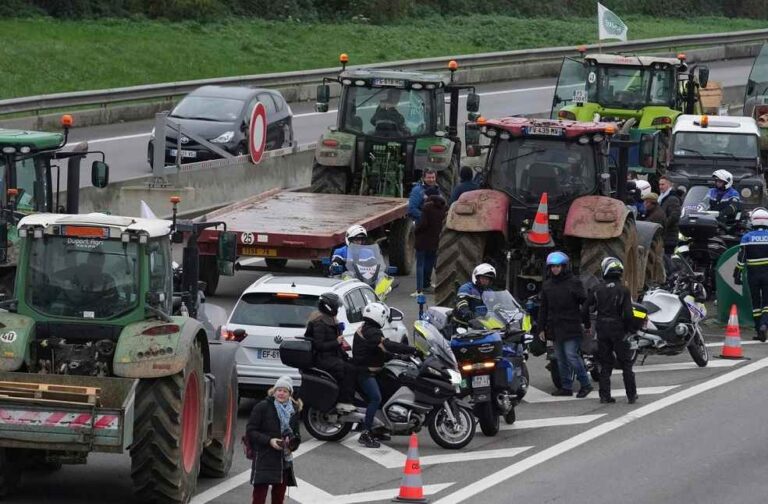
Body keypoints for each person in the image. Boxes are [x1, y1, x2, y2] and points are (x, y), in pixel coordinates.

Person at [352, 302, 421, 448]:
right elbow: (389, 345)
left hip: (375, 370)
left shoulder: (369, 329)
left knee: (394, 387)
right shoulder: (372, 332)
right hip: (365, 372)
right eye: (384, 316)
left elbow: (382, 352)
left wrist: (401, 358)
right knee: (376, 398)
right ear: (379, 316)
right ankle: (366, 433)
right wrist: (411, 350)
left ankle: (379, 427)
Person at [537, 251, 593, 398]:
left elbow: (584, 304)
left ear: (564, 266)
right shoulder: (547, 285)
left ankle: (586, 384)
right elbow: (543, 308)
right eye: (552, 267)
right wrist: (541, 328)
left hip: (571, 326)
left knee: (571, 356)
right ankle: (566, 387)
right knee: (560, 358)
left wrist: (587, 324)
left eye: (557, 266)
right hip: (555, 327)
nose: (555, 269)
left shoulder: (574, 282)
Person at [583, 257, 638, 404]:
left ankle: (604, 396)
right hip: (618, 330)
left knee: (605, 363)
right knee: (626, 363)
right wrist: (630, 330)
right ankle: (631, 395)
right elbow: (628, 314)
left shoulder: (597, 289)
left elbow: (584, 309)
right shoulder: (624, 290)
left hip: (602, 329)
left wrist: (588, 325)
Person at [247, 375, 302, 504]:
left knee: (279, 497)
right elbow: (251, 431)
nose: (281, 393)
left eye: (285, 391)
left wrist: (292, 444)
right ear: (274, 391)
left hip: (284, 460)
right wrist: (269, 441)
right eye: (279, 390)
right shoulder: (262, 407)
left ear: (290, 394)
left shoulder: (293, 411)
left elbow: (297, 435)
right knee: (259, 496)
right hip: (264, 457)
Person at [303, 293, 356, 412]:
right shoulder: (319, 323)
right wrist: (336, 342)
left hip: (331, 356)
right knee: (345, 369)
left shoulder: (330, 320)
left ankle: (351, 399)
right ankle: (343, 401)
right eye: (336, 307)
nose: (337, 310)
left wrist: (346, 355)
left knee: (353, 365)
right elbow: (319, 345)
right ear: (329, 307)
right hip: (322, 358)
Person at [734, 208, 768, 341]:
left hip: (753, 274)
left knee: (755, 303)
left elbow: (741, 258)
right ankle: (765, 324)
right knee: (767, 302)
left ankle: (758, 330)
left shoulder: (747, 237)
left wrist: (737, 274)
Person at [413, 185, 447, 296]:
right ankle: (427, 285)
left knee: (420, 265)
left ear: (429, 195)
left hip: (423, 240)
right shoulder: (443, 207)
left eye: (425, 195)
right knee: (429, 263)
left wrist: (415, 229)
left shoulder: (427, 207)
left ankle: (419, 290)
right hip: (435, 241)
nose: (423, 196)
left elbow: (423, 224)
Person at [658, 176, 682, 256]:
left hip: (669, 236)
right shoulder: (662, 198)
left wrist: (662, 226)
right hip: (665, 236)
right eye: (659, 184)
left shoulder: (672, 199)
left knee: (667, 260)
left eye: (663, 184)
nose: (660, 187)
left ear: (669, 185)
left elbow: (674, 217)